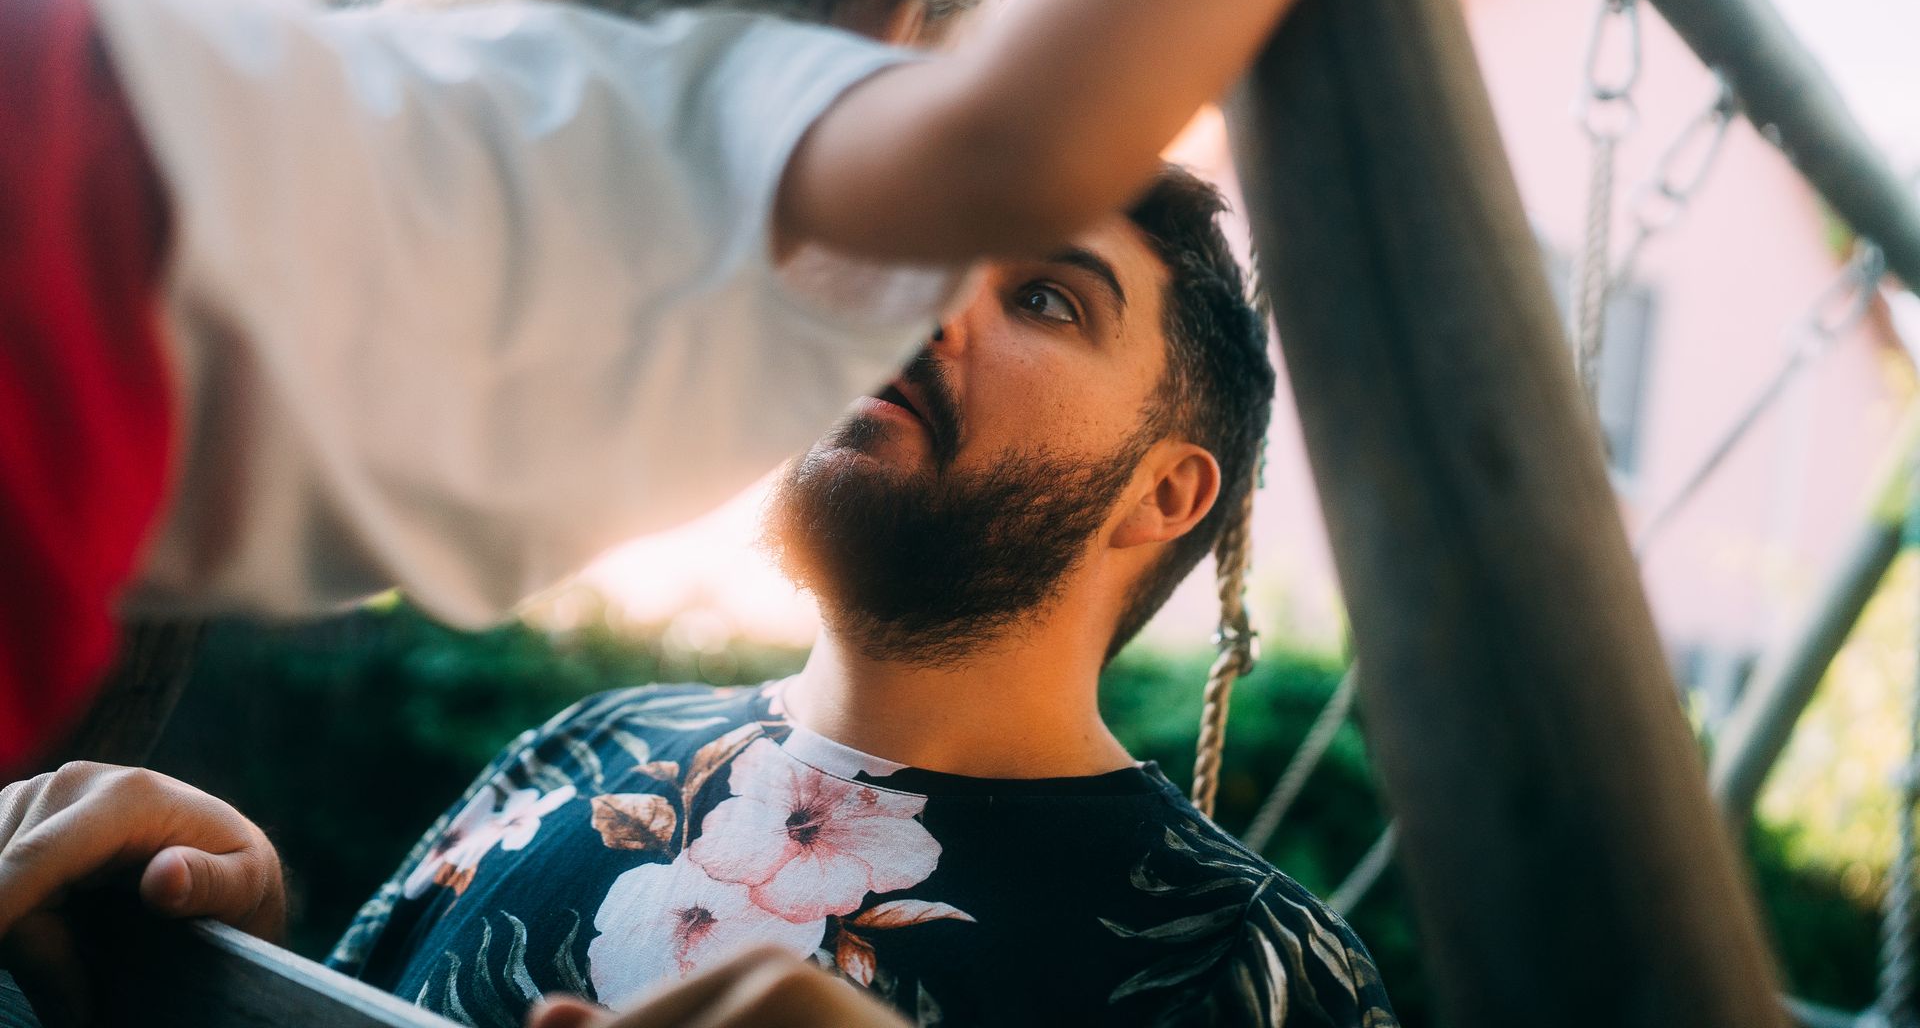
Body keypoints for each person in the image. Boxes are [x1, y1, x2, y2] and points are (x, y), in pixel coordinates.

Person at [0, 0, 1469, 779]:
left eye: (1039, 296)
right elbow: (1018, 144)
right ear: (887, 15)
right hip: (74, 265)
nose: (942, 282)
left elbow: (262, 34)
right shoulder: (732, 95)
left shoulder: (514, 109)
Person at [0, 168, 1397, 1026]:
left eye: (1045, 299)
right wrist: (203, 970)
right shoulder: (578, 749)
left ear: (1167, 493)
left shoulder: (1258, 974)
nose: (928, 309)